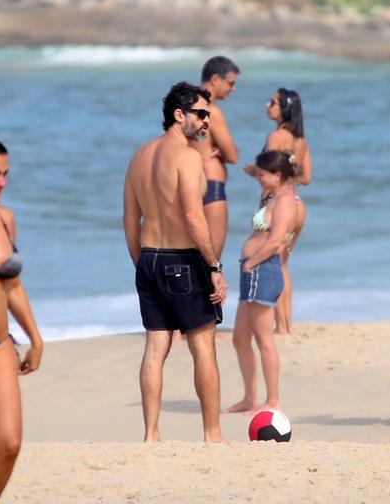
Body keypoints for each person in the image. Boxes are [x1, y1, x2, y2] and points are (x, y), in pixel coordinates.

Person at [123, 81, 228, 443]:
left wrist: (142, 262)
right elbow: (193, 216)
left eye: (209, 116)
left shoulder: (139, 155)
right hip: (182, 260)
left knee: (155, 347)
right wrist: (214, 268)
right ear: (178, 115)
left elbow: (129, 219)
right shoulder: (187, 156)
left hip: (149, 259)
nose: (205, 123)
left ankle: (151, 434)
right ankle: (212, 434)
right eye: (200, 115)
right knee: (203, 347)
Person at [225, 150, 298, 414]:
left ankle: (273, 401)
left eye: (263, 175)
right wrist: (253, 169)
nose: (259, 178)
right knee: (240, 338)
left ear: (277, 175)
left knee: (264, 339)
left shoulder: (286, 201)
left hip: (262, 270)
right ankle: (249, 398)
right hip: (253, 270)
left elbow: (277, 240)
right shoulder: (272, 195)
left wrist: (251, 263)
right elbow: (259, 175)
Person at [0, 140, 43, 499]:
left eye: (5, 173)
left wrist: (34, 337)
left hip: (1, 345)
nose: (0, 181)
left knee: (10, 442)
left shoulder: (4, 218)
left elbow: (11, 284)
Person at [253, 88, 311, 336]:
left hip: (276, 204)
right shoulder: (300, 141)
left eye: (272, 102)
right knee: (283, 264)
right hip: (297, 203)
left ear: (284, 109)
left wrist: (252, 170)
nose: (268, 105)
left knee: (272, 264)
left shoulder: (275, 136)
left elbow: (265, 173)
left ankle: (279, 326)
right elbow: (305, 178)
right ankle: (286, 325)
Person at [194, 55, 240, 258]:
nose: (233, 89)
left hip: (186, 186)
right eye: (230, 83)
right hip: (211, 187)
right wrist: (220, 150)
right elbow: (232, 156)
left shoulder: (183, 109)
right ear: (215, 80)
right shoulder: (211, 111)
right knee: (211, 261)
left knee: (189, 257)